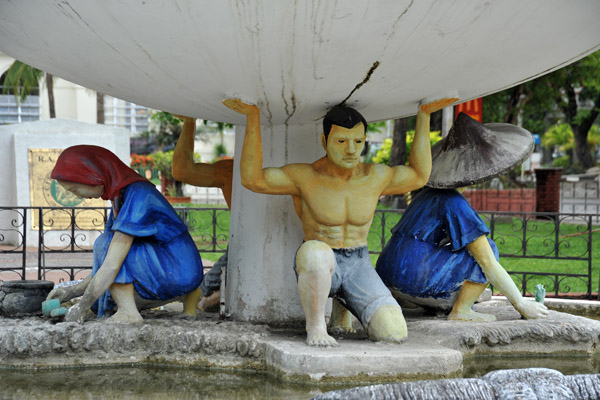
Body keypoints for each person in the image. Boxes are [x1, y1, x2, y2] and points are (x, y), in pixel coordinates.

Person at [223, 97, 456, 346]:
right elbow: (253, 179)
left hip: (358, 263)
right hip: (320, 262)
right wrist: (253, 118)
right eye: (341, 141)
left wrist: (423, 115)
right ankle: (316, 328)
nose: (351, 150)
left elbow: (419, 176)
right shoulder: (306, 176)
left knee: (393, 332)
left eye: (358, 141)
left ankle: (344, 304)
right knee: (316, 253)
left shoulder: (375, 176)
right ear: (324, 141)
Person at [376, 113, 549, 321]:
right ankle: (461, 310)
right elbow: (487, 262)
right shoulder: (454, 202)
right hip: (413, 279)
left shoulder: (425, 196)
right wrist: (521, 304)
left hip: (386, 275)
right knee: (489, 250)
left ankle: (431, 301)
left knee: (456, 249)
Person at [47, 145, 204, 323]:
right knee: (106, 254)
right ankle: (188, 294)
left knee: (106, 244)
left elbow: (112, 262)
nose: (77, 197)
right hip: (172, 264)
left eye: (75, 189)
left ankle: (128, 313)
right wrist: (73, 291)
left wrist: (81, 307)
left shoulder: (139, 194)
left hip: (179, 268)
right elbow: (105, 262)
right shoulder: (120, 196)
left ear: (94, 174)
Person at [172, 115, 233, 310]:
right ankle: (209, 301)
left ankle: (210, 301)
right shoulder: (231, 170)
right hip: (243, 247)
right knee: (201, 291)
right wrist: (189, 122)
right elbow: (182, 171)